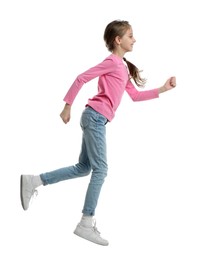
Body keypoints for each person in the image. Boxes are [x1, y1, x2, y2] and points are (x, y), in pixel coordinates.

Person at [20, 19, 176, 246]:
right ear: (118, 40)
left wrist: (163, 89)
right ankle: (86, 221)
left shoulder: (122, 67)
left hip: (96, 119)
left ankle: (33, 181)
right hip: (94, 117)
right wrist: (67, 105)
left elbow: (135, 96)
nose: (135, 39)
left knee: (84, 167)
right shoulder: (111, 62)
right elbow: (81, 78)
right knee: (101, 169)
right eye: (131, 36)